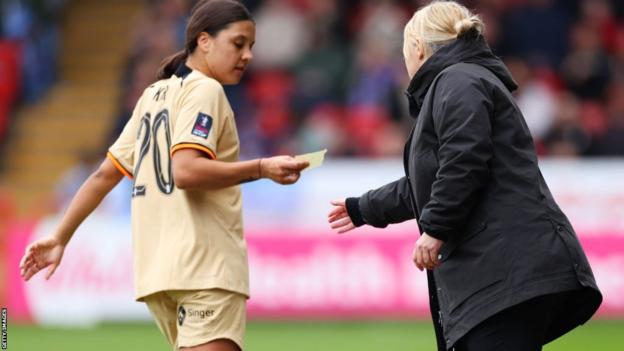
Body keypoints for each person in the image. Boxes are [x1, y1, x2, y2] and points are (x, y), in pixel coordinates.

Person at [19, 1, 309, 350]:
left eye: (251, 47)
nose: (247, 55)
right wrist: (262, 168)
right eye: (238, 43)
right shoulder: (206, 90)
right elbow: (186, 171)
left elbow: (104, 175)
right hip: (205, 267)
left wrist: (60, 236)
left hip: (161, 273)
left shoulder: (154, 95)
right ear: (204, 41)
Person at [328, 2, 602, 350]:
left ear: (417, 48)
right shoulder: (464, 80)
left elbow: (464, 160)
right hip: (502, 273)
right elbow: (433, 180)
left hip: (504, 273)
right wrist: (362, 208)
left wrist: (436, 228)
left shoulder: (457, 79)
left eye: (404, 53)